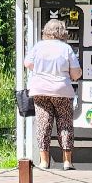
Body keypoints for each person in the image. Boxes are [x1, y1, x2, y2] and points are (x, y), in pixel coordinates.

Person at [23, 18, 82, 170]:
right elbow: (76, 73)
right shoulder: (66, 48)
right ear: (62, 32)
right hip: (61, 90)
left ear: (46, 31)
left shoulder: (38, 46)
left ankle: (44, 161)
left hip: (40, 90)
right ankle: (67, 162)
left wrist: (41, 70)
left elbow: (27, 63)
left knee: (43, 124)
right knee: (65, 123)